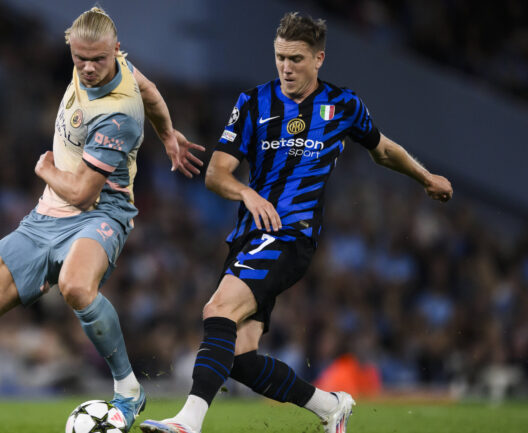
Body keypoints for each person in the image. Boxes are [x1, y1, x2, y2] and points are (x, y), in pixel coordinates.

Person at [140, 11, 452, 433]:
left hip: (292, 234)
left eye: (297, 59)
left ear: (319, 58)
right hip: (250, 235)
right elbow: (216, 172)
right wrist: (247, 193)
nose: (286, 67)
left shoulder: (343, 105)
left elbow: (383, 150)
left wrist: (426, 177)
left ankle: (188, 423)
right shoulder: (253, 102)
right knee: (238, 358)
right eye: (280, 57)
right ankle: (330, 407)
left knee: (217, 309)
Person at [0, 7, 204, 433]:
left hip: (100, 212)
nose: (87, 67)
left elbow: (84, 193)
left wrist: (45, 170)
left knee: (76, 285)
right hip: (46, 217)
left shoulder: (118, 114)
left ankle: (128, 389)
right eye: (79, 58)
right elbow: (152, 89)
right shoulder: (110, 64)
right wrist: (169, 135)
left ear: (115, 50)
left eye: (97, 59)